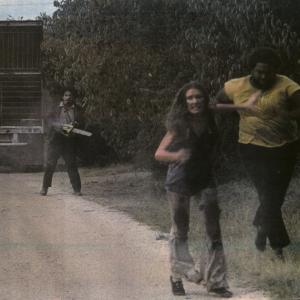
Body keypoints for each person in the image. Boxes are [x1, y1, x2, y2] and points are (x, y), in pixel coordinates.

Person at [216, 47, 300, 260]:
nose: (264, 76)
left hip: (284, 147)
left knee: (275, 197)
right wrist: (239, 111)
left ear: (275, 71)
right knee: (267, 195)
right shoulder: (235, 86)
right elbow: (217, 104)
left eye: (268, 72)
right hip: (251, 147)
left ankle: (261, 226)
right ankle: (278, 248)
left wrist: (286, 114)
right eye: (259, 71)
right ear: (251, 69)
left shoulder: (287, 85)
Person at [155, 81, 234, 297]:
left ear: (204, 99)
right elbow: (159, 153)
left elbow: (228, 107)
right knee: (180, 231)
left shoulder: (209, 115)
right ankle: (177, 276)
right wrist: (176, 156)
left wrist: (249, 106)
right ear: (184, 101)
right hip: (179, 180)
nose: (194, 101)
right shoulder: (178, 124)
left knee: (213, 230)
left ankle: (216, 282)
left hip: (204, 179)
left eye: (198, 97)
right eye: (190, 98)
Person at [40, 89, 85, 196]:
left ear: (73, 97)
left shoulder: (78, 109)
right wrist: (58, 126)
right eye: (66, 95)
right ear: (62, 97)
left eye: (70, 95)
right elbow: (48, 120)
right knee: (50, 164)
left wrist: (75, 124)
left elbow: (82, 123)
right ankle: (44, 188)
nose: (68, 97)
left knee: (71, 164)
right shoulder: (56, 108)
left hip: (69, 141)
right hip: (56, 140)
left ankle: (77, 189)